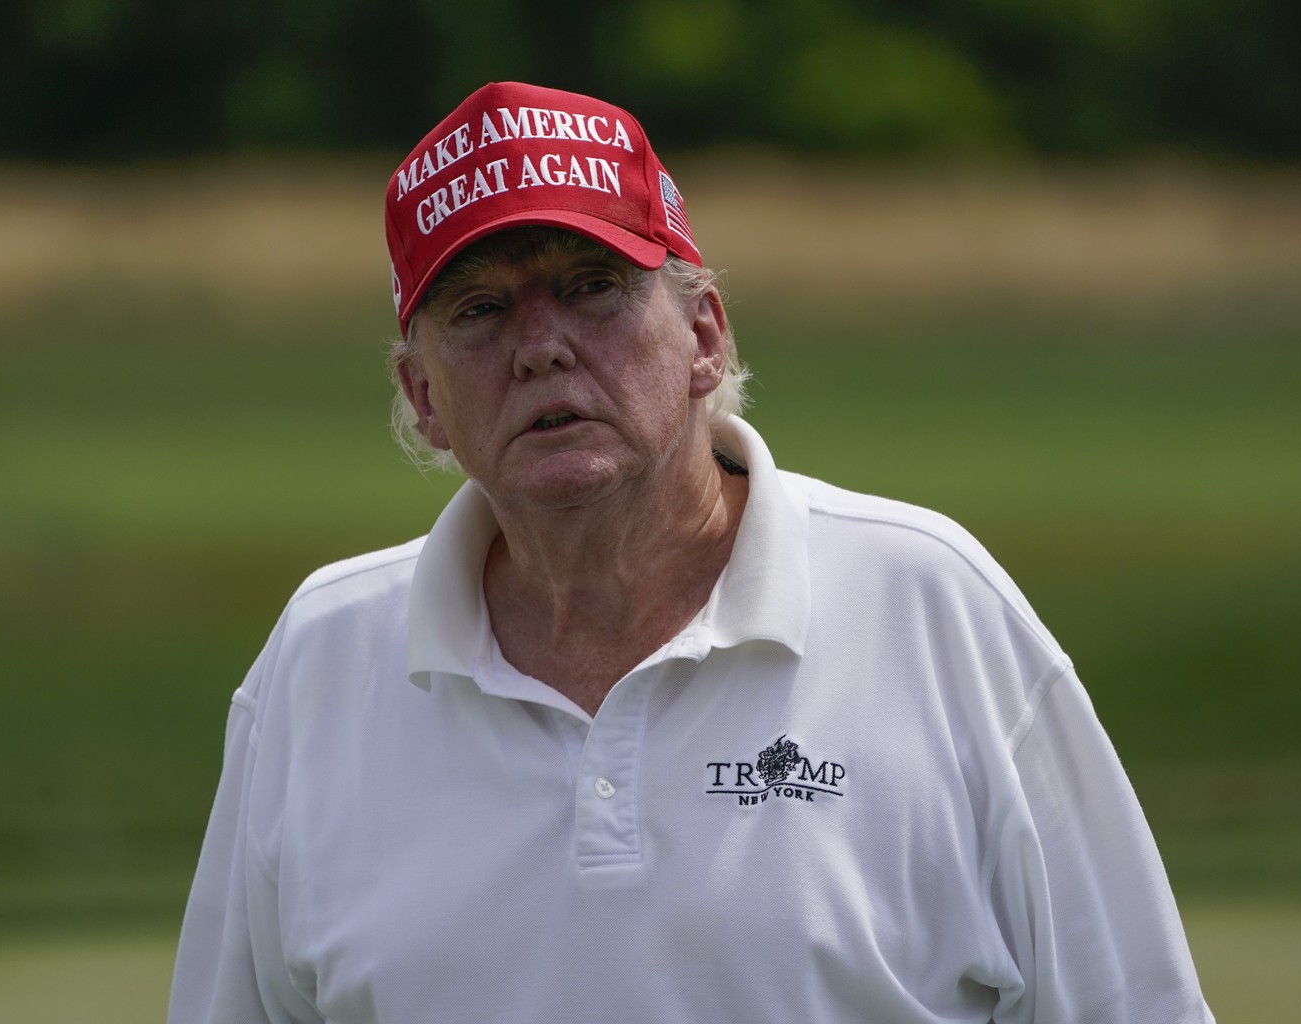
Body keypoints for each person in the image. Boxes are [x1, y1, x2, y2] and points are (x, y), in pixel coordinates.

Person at [169, 81, 1214, 1024]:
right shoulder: (319, 658)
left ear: (705, 333)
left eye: (591, 287)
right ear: (424, 396)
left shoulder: (932, 604)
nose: (541, 346)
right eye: (480, 310)